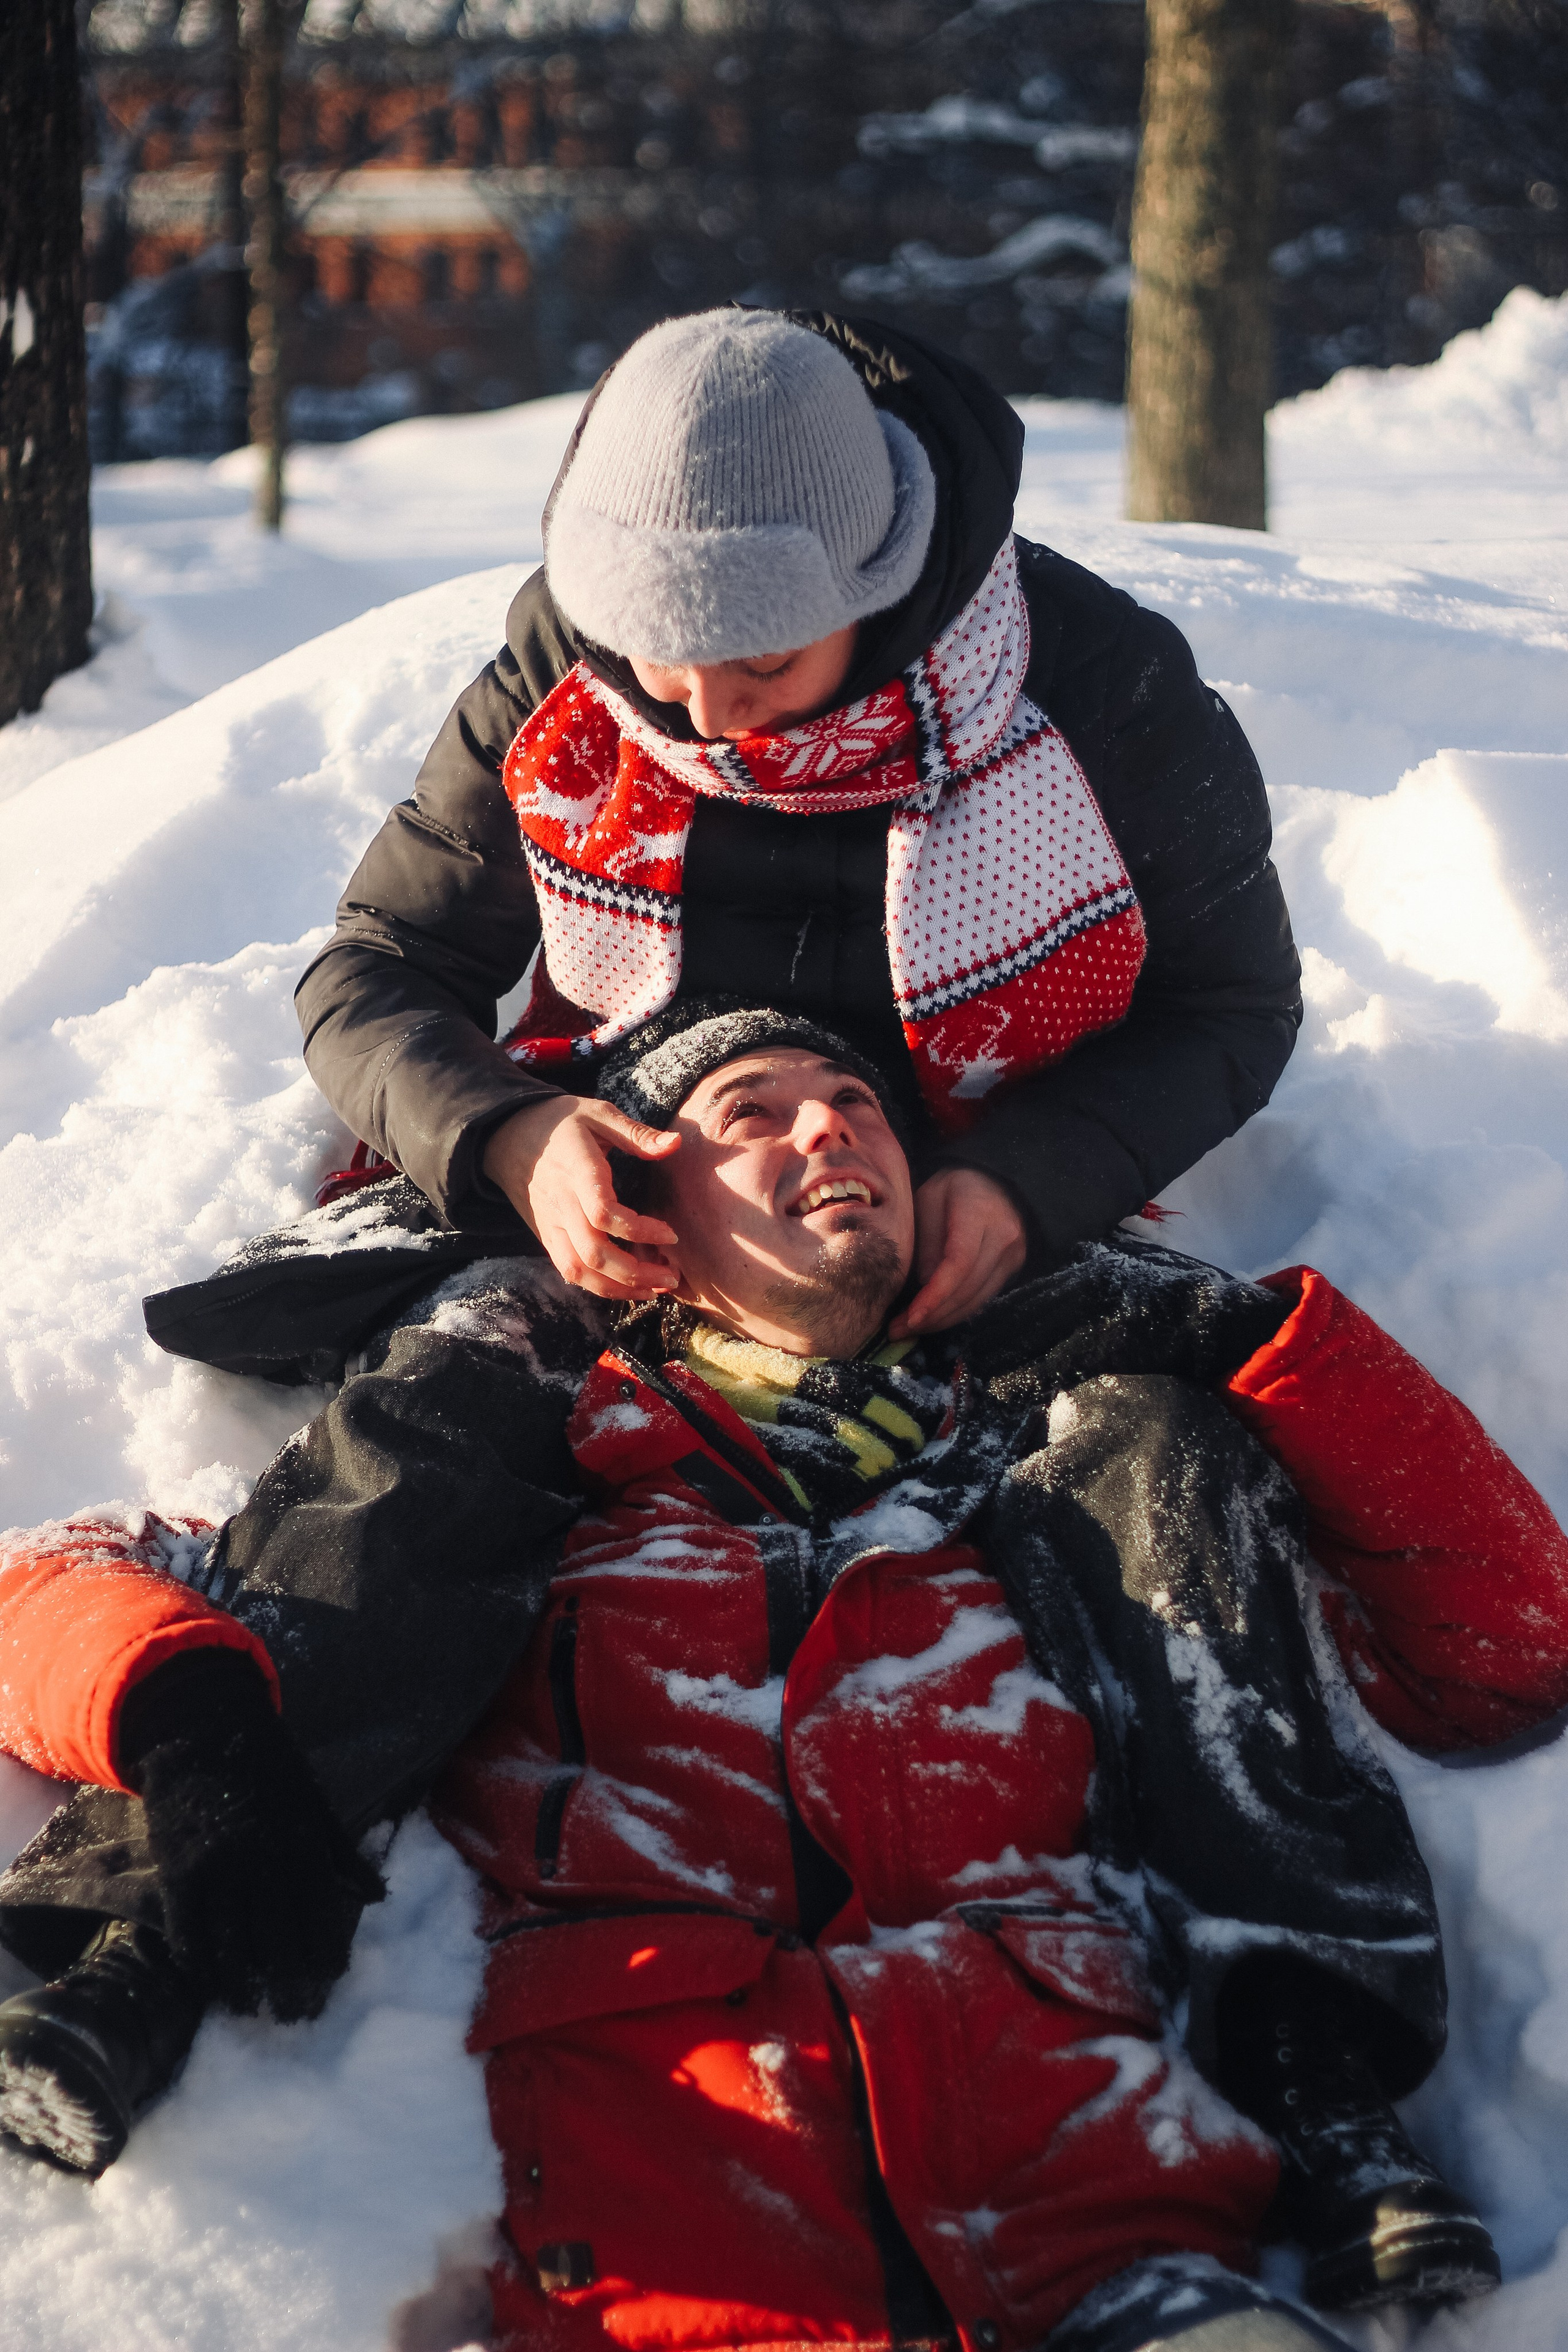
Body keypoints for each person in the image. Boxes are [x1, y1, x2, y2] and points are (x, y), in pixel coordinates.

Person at [4, 1000, 1563, 2352]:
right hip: (683, 2238)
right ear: (637, 1203)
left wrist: (1235, 1333)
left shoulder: (1053, 1477)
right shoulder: (531, 1470)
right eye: (751, 1113)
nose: (829, 1129)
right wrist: (193, 1725)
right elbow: (53, 1578)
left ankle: (1315, 2080)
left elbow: (1505, 1655)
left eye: (857, 1110)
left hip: (1123, 2251)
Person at [296, 304, 1302, 1344]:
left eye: (765, 660)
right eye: (661, 659)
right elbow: (381, 960)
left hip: (973, 1161)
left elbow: (1232, 1004)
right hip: (672, 1176)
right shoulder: (570, 674)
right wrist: (507, 1131)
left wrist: (1033, 1180)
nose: (708, 718)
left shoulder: (1100, 689)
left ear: (876, 588)